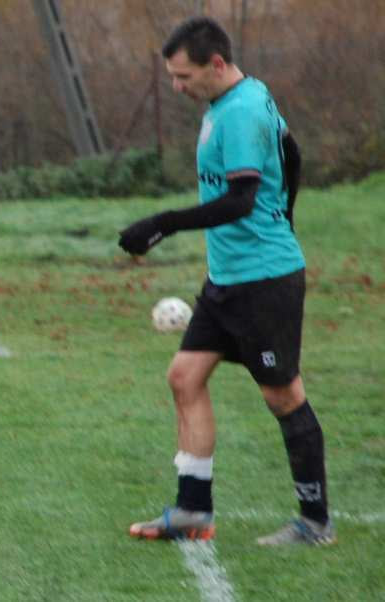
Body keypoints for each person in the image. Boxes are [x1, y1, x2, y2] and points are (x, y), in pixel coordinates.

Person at [118, 17, 333, 545]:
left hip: (263, 283)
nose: (177, 86)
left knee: (283, 396)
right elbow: (292, 154)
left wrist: (161, 224)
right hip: (227, 281)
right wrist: (283, 214)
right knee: (184, 377)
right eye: (173, 76)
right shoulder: (239, 99)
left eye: (184, 76)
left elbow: (239, 200)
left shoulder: (239, 112)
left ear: (216, 64)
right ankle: (193, 510)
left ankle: (315, 521)